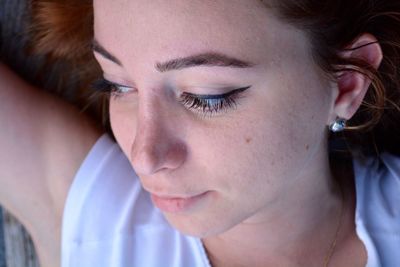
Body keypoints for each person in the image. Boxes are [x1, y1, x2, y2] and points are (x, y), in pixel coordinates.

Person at [1, 0, 399, 266]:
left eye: (207, 97)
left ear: (346, 83)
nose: (144, 156)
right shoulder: (97, 225)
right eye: (117, 85)